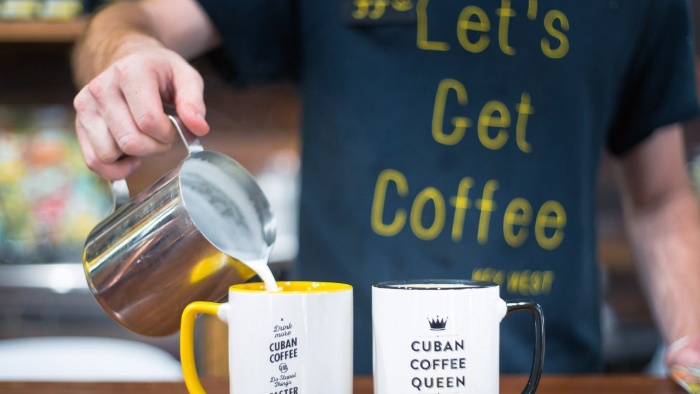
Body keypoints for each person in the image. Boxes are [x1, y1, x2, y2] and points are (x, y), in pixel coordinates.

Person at [72, 0, 700, 375]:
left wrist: (691, 344)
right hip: (345, 377)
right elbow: (128, 15)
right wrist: (125, 51)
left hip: (548, 376)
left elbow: (662, 195)